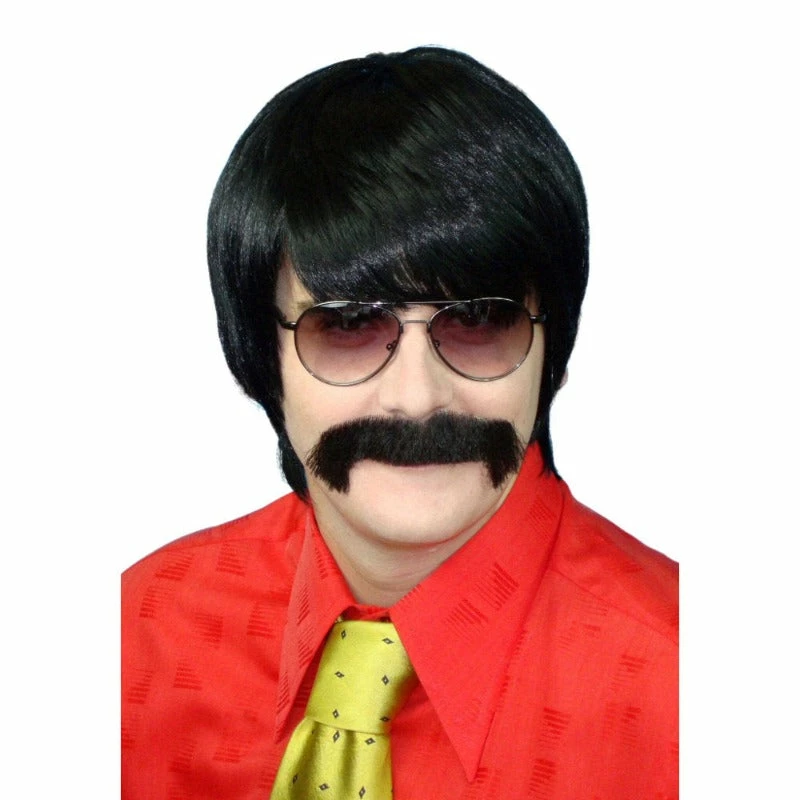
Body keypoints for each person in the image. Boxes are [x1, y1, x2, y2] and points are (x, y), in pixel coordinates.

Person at [122, 47, 678, 799]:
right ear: (258, 357)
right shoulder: (138, 635)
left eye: (479, 320)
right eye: (349, 325)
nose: (417, 398)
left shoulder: (692, 692)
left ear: (553, 350)